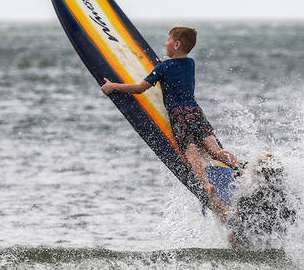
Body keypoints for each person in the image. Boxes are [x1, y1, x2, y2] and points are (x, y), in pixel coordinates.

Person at [101, 26, 239, 216]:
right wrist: (164, 66)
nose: (165, 43)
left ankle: (207, 185)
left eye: (168, 40)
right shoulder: (190, 63)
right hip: (195, 111)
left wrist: (113, 86)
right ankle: (243, 167)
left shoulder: (163, 68)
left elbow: (140, 88)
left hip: (179, 114)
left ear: (176, 44)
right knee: (214, 150)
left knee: (191, 153)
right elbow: (175, 69)